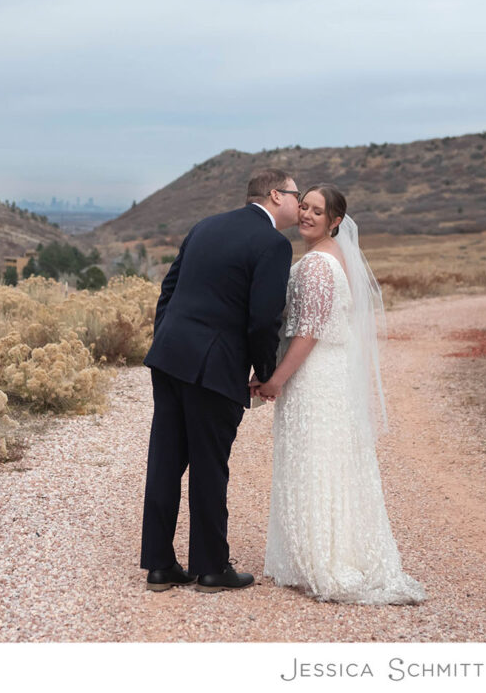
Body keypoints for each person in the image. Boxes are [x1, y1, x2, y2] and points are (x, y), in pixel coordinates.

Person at [255, 184, 425, 604]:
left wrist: (276, 379)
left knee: (314, 460)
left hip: (314, 377)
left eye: (318, 211)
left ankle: (321, 560)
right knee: (331, 462)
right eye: (305, 207)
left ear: (335, 221)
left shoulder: (315, 265)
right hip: (333, 375)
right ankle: (331, 550)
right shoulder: (338, 258)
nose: (308, 215)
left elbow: (308, 331)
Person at [140, 168, 298, 593]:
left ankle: (159, 566)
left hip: (170, 358)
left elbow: (167, 291)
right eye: (296, 195)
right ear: (274, 195)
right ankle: (211, 568)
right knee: (210, 467)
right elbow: (264, 318)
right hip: (214, 369)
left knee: (166, 461)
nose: (300, 204)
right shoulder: (272, 244)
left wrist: (168, 342)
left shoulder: (205, 226)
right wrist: (265, 373)